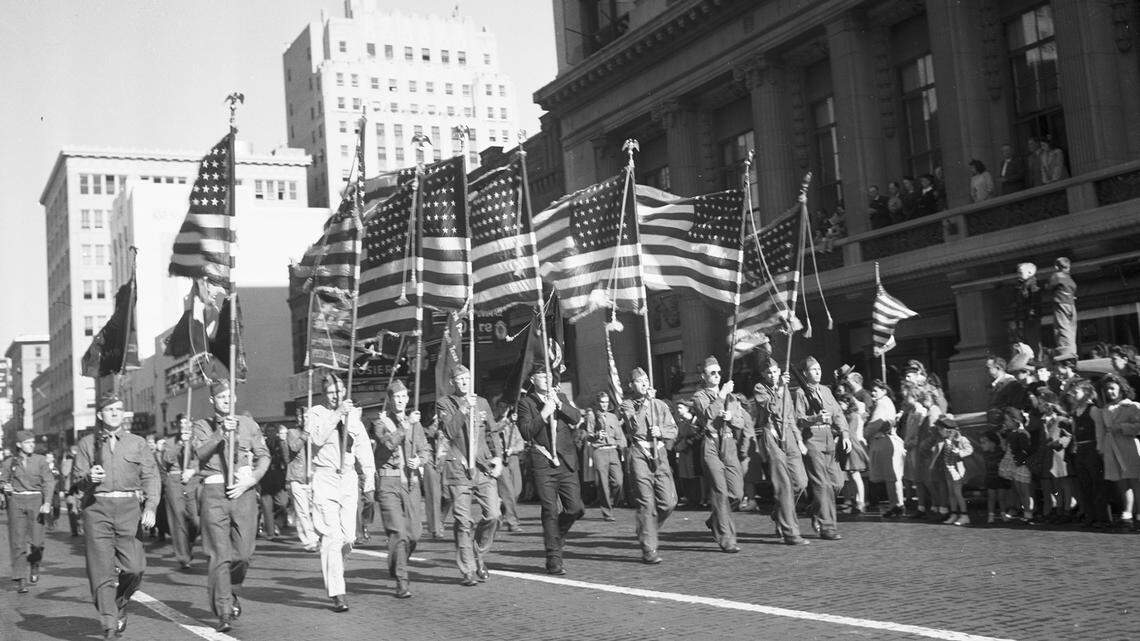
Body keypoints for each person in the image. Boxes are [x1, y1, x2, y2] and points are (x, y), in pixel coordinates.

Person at [71, 393, 159, 640]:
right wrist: (90, 478)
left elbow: (151, 476)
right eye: (109, 409)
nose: (114, 413)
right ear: (100, 414)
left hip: (129, 508)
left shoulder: (137, 443)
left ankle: (119, 602)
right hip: (97, 508)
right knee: (101, 569)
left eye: (119, 409)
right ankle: (109, 622)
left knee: (135, 567)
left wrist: (151, 507)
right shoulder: (88, 444)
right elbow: (76, 482)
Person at [192, 380, 270, 632]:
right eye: (221, 396)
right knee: (219, 555)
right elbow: (200, 454)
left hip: (243, 491)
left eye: (230, 396)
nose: (226, 399)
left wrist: (253, 478)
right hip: (214, 493)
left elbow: (264, 455)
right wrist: (220, 434)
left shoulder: (248, 424)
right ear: (213, 401)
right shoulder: (202, 426)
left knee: (243, 554)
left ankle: (232, 588)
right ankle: (223, 611)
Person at [305, 373, 375, 611]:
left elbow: (363, 446)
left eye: (339, 391)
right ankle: (337, 592)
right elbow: (316, 438)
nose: (336, 396)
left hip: (348, 477)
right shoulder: (315, 412)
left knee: (349, 538)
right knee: (332, 537)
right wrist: (336, 415)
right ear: (324, 394)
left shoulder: (353, 415)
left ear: (345, 391)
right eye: (331, 392)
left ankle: (335, 569)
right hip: (325, 477)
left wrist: (369, 479)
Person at [436, 364, 503, 584]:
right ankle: (467, 570)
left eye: (468, 378)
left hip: (482, 467)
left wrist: (498, 457)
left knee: (493, 514)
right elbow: (448, 431)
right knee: (463, 521)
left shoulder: (482, 402)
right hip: (458, 468)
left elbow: (492, 432)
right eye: (460, 379)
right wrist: (463, 408)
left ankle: (478, 552)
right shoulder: (444, 403)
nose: (465, 382)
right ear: (453, 382)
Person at [516, 364, 582, 575]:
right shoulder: (525, 403)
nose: (545, 378)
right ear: (532, 379)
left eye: (547, 374)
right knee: (550, 510)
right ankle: (553, 556)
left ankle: (557, 535)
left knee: (575, 508)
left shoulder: (560, 396)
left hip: (566, 460)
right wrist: (544, 413)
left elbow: (577, 418)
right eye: (540, 375)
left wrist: (559, 406)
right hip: (543, 460)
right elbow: (526, 432)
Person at [373, 380, 429, 599]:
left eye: (404, 396)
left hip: (411, 484)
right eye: (396, 397)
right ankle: (402, 581)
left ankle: (396, 560)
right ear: (390, 399)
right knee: (399, 532)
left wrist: (420, 460)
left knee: (414, 534)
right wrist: (405, 426)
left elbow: (426, 450)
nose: (401, 400)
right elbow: (387, 444)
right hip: (389, 484)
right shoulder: (380, 421)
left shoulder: (416, 423)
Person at [619, 367, 678, 564]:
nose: (644, 383)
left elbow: (673, 429)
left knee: (669, 502)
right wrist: (646, 403)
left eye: (646, 380)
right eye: (639, 381)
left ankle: (647, 528)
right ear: (631, 385)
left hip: (659, 452)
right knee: (646, 502)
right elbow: (635, 426)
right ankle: (649, 548)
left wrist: (660, 431)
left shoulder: (660, 405)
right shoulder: (627, 404)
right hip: (639, 453)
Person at [689, 356, 748, 552]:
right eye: (712, 373)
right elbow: (705, 417)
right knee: (720, 492)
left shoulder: (732, 398)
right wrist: (721, 395)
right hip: (711, 444)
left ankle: (715, 518)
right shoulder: (699, 396)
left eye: (719, 372)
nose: (717, 375)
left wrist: (731, 417)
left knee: (737, 494)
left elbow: (741, 421)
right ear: (704, 376)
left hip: (729, 442)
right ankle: (726, 538)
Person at [750, 356, 809, 544]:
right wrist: (781, 389)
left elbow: (790, 417)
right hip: (773, 435)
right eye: (769, 372)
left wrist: (799, 440)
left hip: (789, 436)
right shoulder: (760, 389)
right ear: (763, 375)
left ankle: (779, 511)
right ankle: (791, 532)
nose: (773, 375)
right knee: (783, 484)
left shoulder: (786, 391)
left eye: (775, 371)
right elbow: (772, 408)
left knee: (800, 482)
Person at [794, 356, 851, 540]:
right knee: (822, 484)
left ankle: (817, 509)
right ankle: (828, 527)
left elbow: (838, 414)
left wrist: (845, 434)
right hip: (812, 440)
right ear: (805, 373)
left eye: (819, 368)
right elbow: (798, 419)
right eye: (813, 369)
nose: (818, 372)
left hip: (829, 439)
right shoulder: (801, 394)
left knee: (837, 483)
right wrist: (815, 419)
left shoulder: (826, 390)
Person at [1, 430, 55, 594]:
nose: (32, 445)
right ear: (19, 445)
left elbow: (49, 482)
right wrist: (5, 486)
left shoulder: (40, 461)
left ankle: (35, 563)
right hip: (16, 502)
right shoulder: (9, 462)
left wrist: (47, 502)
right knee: (17, 541)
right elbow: (3, 480)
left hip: (36, 500)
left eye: (33, 442)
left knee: (37, 542)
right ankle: (21, 579)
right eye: (27, 442)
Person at [1095, 373, 1140, 530]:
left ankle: (1138, 515)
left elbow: (1138, 427)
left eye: (1113, 388)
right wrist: (1101, 448)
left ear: (1121, 389)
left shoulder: (1132, 406)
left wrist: (1122, 427)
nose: (1110, 392)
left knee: (1135, 482)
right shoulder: (1106, 409)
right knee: (1121, 483)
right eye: (1107, 389)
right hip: (1111, 448)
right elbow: (1101, 430)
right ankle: (1126, 515)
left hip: (1128, 447)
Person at [1066, 380, 1110, 528]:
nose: (1072, 395)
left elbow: (1099, 430)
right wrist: (1076, 447)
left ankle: (1102, 518)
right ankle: (1089, 516)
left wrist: (1100, 449)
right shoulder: (1075, 412)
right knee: (1084, 484)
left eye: (1076, 392)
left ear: (1086, 392)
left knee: (1097, 484)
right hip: (1081, 450)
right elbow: (1074, 433)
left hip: (1093, 448)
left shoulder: (1093, 409)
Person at [159, 415, 201, 570]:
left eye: (187, 423)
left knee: (195, 521)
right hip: (175, 480)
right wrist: (180, 444)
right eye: (181, 423)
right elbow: (167, 459)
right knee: (178, 520)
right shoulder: (170, 441)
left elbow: (202, 458)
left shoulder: (196, 440)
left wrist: (190, 444)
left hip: (192, 480)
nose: (184, 426)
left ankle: (188, 544)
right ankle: (183, 557)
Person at [585, 391, 626, 523]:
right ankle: (607, 512)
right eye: (602, 402)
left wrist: (622, 450)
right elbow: (588, 435)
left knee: (618, 482)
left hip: (613, 451)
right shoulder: (592, 417)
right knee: (603, 483)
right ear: (597, 403)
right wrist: (597, 435)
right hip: (600, 451)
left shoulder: (613, 417)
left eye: (606, 402)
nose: (604, 405)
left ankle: (613, 500)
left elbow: (620, 435)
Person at [866, 380, 904, 517]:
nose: (873, 393)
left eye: (876, 390)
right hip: (886, 440)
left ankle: (897, 505)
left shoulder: (882, 403)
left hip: (884, 440)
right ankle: (896, 504)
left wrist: (865, 434)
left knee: (891, 476)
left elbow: (874, 425)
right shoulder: (885, 402)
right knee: (891, 476)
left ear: (884, 391)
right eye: (873, 391)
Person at [930, 416, 973, 525]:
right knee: (951, 494)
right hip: (948, 471)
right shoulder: (945, 441)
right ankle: (954, 514)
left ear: (948, 430)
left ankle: (964, 515)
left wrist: (959, 452)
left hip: (957, 472)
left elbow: (969, 449)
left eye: (940, 429)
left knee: (958, 493)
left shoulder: (961, 439)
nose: (939, 432)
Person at [285, 415, 319, 552]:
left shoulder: (315, 433)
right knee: (302, 510)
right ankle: (311, 539)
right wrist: (305, 434)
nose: (306, 419)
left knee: (314, 509)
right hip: (297, 477)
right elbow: (294, 447)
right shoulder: (292, 433)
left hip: (312, 476)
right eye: (303, 417)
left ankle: (310, 536)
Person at [494, 400, 526, 533]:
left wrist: (512, 450)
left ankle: (500, 514)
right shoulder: (495, 422)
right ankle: (513, 523)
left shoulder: (513, 426)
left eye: (506, 407)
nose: (504, 409)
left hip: (513, 459)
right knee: (508, 492)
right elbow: (493, 431)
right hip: (501, 460)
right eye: (501, 406)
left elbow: (521, 443)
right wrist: (507, 421)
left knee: (517, 490)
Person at [258, 425, 289, 541]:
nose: (271, 433)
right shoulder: (261, 444)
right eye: (268, 431)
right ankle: (270, 533)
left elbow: (286, 459)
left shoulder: (280, 443)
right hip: (265, 477)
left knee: (283, 502)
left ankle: (276, 521)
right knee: (266, 506)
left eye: (273, 431)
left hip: (278, 476)